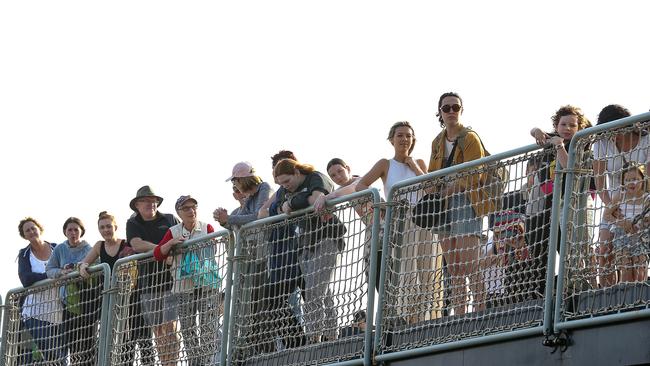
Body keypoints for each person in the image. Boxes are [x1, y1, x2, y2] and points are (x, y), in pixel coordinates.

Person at [356, 121, 443, 322]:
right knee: (407, 270)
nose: (404, 139)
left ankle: (425, 319)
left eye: (408, 136)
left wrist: (414, 166)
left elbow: (431, 189)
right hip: (402, 221)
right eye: (400, 135)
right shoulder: (385, 164)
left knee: (428, 271)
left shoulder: (419, 162)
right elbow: (361, 186)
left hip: (424, 221)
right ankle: (407, 318)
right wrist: (382, 203)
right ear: (392, 139)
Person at [428, 92, 489, 315]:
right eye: (447, 108)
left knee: (469, 263)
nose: (451, 111)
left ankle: (480, 312)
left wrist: (449, 190)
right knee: (453, 266)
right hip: (443, 205)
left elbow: (476, 174)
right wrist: (433, 191)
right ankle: (460, 315)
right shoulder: (437, 141)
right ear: (440, 113)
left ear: (461, 110)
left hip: (466, 201)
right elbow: (431, 174)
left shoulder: (469, 137)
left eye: (455, 107)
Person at [273, 158, 346, 343]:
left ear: (297, 173)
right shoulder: (283, 189)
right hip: (305, 243)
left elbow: (315, 200)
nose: (285, 187)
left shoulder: (315, 177)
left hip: (327, 238)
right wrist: (297, 201)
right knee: (323, 291)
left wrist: (295, 202)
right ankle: (330, 336)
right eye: (281, 183)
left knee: (314, 291)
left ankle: (314, 338)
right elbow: (280, 208)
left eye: (287, 181)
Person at [529, 105, 596, 294]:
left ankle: (591, 283)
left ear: (579, 128)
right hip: (560, 203)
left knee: (583, 245)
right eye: (563, 124)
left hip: (580, 201)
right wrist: (538, 132)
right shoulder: (554, 138)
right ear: (556, 126)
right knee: (566, 247)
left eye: (572, 125)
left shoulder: (582, 143)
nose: (567, 129)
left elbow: (570, 167)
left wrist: (559, 146)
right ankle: (573, 286)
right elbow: (532, 130)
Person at [79, 211, 154, 365]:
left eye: (108, 226)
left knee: (141, 334)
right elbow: (84, 262)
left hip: (133, 297)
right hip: (112, 300)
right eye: (102, 227)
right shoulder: (99, 246)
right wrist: (83, 266)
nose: (106, 230)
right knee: (118, 337)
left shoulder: (126, 244)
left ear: (115, 227)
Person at [154, 195, 220, 366]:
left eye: (194, 207)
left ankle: (207, 362)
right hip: (184, 287)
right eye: (186, 208)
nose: (191, 211)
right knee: (188, 328)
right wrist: (172, 244)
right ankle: (195, 362)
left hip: (207, 284)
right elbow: (157, 254)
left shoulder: (207, 227)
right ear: (179, 212)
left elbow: (214, 248)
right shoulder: (173, 231)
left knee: (208, 326)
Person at [591, 105, 650, 286]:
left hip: (640, 203)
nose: (611, 134)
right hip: (613, 204)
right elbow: (600, 184)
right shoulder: (601, 143)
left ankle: (638, 297)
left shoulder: (646, 141)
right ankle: (608, 299)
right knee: (605, 249)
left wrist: (638, 213)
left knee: (637, 256)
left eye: (615, 128)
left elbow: (648, 180)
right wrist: (614, 210)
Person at [126, 185, 180, 366]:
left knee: (171, 328)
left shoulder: (170, 219)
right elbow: (136, 244)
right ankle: (165, 363)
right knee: (158, 330)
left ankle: (173, 363)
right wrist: (161, 250)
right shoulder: (133, 223)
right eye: (146, 201)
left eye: (153, 200)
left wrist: (163, 251)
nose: (151, 203)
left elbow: (182, 237)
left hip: (172, 281)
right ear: (137, 205)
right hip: (148, 284)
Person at [46, 217, 97, 365]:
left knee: (88, 342)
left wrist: (80, 269)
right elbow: (49, 269)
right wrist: (61, 272)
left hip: (87, 301)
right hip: (68, 303)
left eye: (76, 229)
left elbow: (98, 266)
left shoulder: (89, 249)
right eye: (70, 229)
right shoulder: (60, 249)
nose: (73, 232)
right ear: (65, 232)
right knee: (72, 343)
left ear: (81, 231)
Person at [17, 217, 65, 364]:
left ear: (40, 229)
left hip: (57, 313)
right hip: (33, 312)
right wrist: (52, 274)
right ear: (24, 235)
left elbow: (67, 268)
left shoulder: (56, 248)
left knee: (58, 357)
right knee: (55, 356)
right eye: (27, 230)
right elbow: (26, 278)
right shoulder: (24, 254)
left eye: (33, 228)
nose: (31, 232)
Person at [603, 162, 650, 283]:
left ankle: (640, 298)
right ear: (623, 182)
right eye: (628, 180)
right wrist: (622, 223)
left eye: (635, 179)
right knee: (626, 268)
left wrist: (645, 222)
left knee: (640, 269)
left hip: (640, 236)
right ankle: (624, 298)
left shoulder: (646, 198)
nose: (632, 183)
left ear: (642, 179)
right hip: (622, 235)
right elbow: (606, 215)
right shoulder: (620, 197)